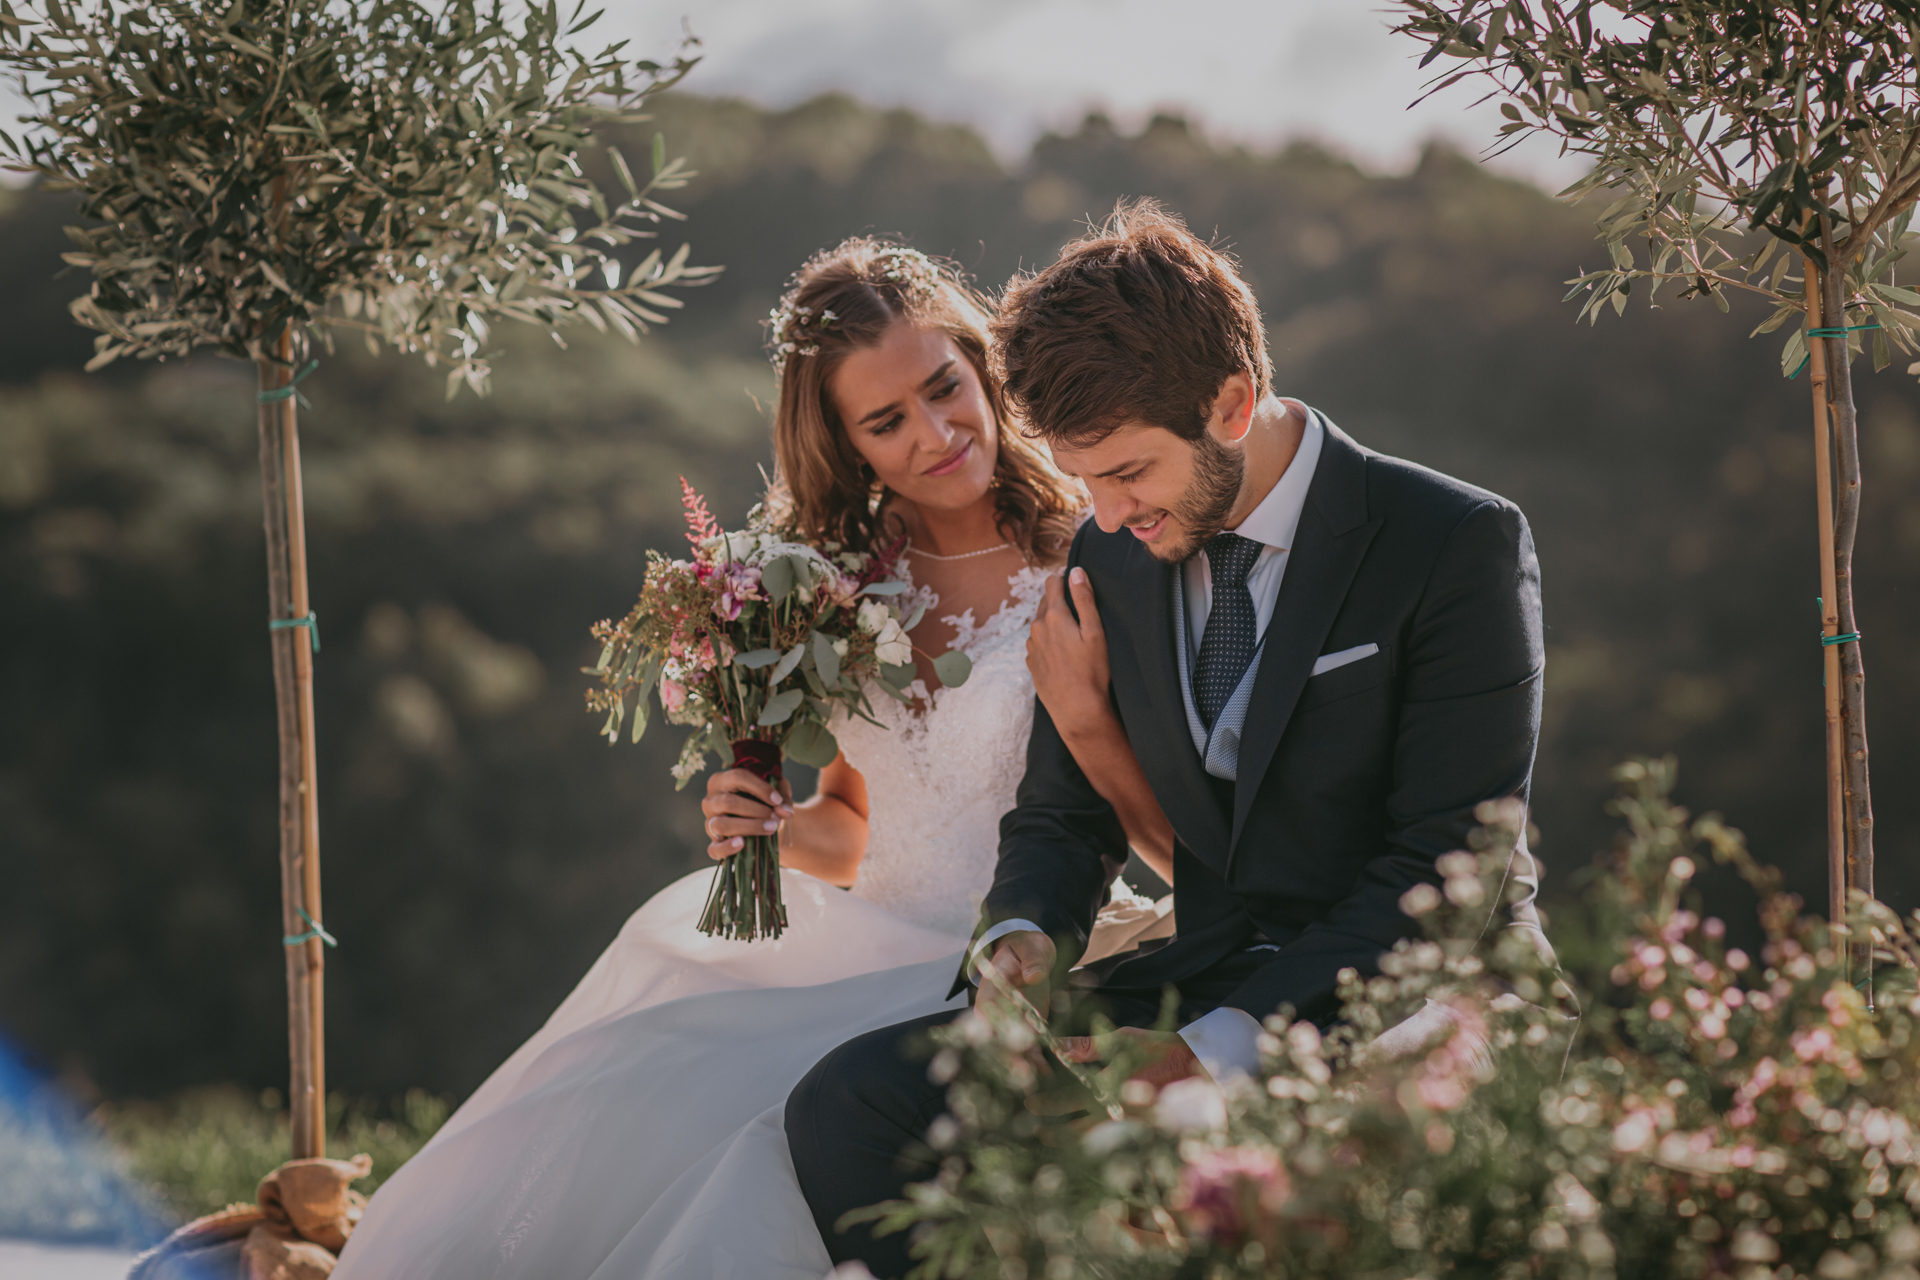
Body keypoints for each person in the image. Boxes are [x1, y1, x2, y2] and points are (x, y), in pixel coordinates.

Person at [331, 238, 1174, 1280]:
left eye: (945, 387)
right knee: (630, 1077)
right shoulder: (828, 589)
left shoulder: (1096, 554)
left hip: (1037, 945)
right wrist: (773, 827)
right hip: (872, 944)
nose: (936, 433)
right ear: (847, 443)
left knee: (756, 1150)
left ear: (982, 365)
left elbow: (1138, 814)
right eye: (887, 421)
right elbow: (854, 826)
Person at [784, 201, 1551, 1278]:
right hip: (1200, 972)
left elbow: (1448, 871)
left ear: (1232, 403)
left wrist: (1208, 1050)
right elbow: (1060, 811)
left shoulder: (1454, 543)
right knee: (853, 1101)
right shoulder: (1109, 543)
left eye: (1128, 472)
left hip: (1414, 992)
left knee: (1239, 1179)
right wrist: (1024, 938)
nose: (1101, 507)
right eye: (1082, 474)